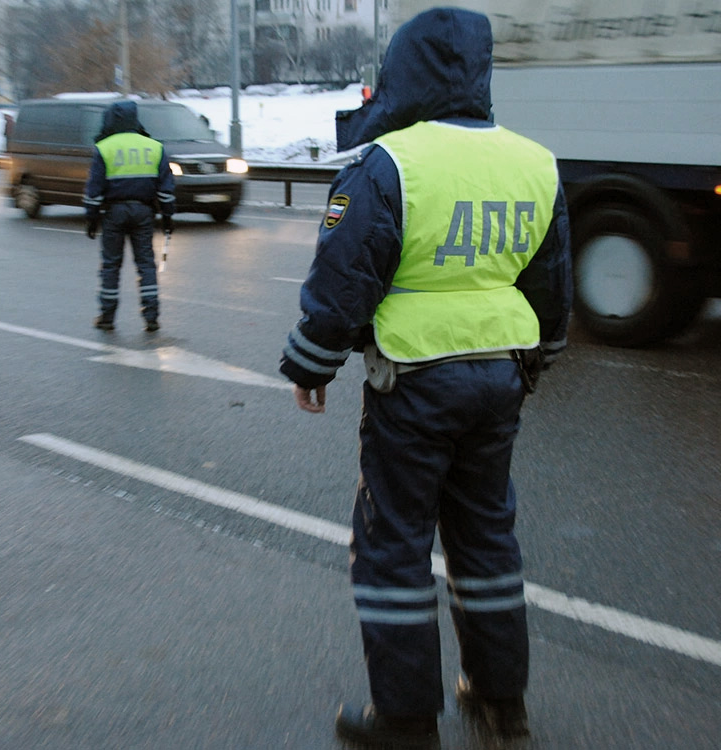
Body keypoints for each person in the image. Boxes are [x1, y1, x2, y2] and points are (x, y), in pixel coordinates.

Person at [279, 8, 572, 748]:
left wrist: (312, 362)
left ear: (406, 73)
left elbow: (346, 279)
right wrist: (537, 360)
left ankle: (406, 721)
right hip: (499, 381)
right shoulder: (535, 162)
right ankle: (501, 702)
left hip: (413, 384)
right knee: (486, 539)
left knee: (393, 547)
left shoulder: (390, 164)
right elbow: (550, 284)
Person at [83, 100, 175, 332]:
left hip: (114, 212)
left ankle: (107, 316)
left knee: (111, 265)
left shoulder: (104, 147)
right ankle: (151, 316)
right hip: (144, 211)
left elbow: (94, 188)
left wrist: (91, 217)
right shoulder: (154, 146)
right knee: (145, 264)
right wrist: (167, 217)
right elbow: (165, 189)